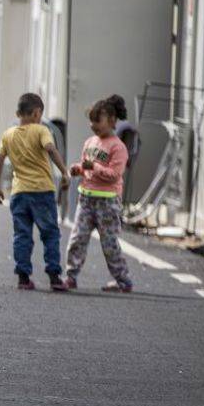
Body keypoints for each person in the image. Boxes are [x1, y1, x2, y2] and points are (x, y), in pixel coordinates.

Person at [0, 93, 71, 291]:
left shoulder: (8, 135)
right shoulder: (41, 130)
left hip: (19, 194)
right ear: (37, 113)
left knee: (22, 235)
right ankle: (54, 276)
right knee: (50, 234)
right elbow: (51, 149)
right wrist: (64, 172)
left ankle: (23, 277)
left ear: (18, 113)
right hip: (42, 191)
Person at [65, 95, 134, 292]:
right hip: (86, 199)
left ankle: (123, 280)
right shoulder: (90, 142)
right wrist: (78, 169)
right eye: (91, 120)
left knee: (109, 244)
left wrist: (93, 167)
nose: (93, 125)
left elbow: (114, 175)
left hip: (107, 203)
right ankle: (70, 276)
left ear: (112, 120)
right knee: (77, 239)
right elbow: (86, 167)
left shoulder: (118, 147)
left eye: (98, 120)